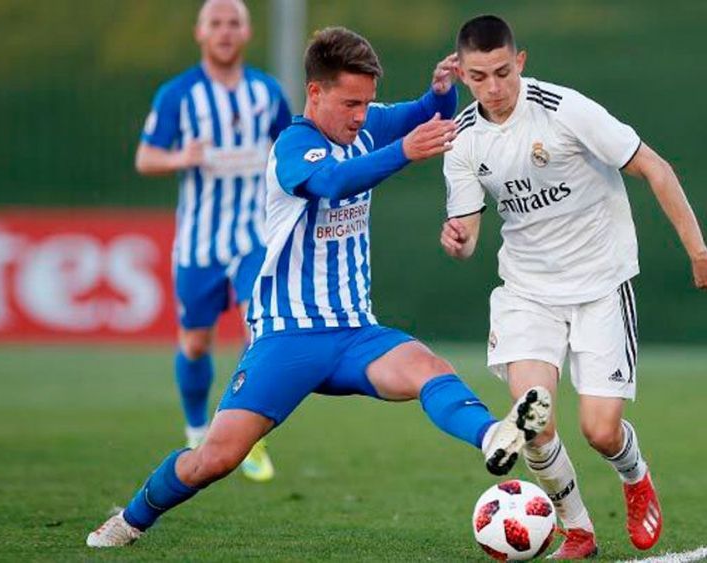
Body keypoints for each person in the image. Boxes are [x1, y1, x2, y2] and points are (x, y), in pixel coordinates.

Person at [87, 26, 552, 548]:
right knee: (213, 460)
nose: (361, 114)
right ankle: (129, 520)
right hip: (288, 337)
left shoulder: (367, 127)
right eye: (350, 102)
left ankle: (495, 436)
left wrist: (441, 89)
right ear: (316, 92)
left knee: (429, 368)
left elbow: (426, 114)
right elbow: (331, 182)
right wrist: (403, 151)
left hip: (355, 332)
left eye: (367, 102)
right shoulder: (293, 145)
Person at [440, 15, 707, 559]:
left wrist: (698, 250)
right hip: (526, 291)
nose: (494, 87)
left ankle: (635, 475)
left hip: (601, 285)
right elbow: (468, 238)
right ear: (461, 74)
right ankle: (577, 528)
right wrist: (456, 238)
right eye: (479, 77)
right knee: (536, 417)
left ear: (520, 61)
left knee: (600, 430)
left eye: (503, 72)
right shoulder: (461, 140)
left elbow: (656, 169)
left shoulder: (565, 110)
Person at [135, 0, 290, 482]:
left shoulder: (266, 92)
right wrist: (182, 157)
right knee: (197, 343)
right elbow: (146, 158)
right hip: (200, 243)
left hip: (253, 237)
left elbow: (292, 147)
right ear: (200, 33)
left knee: (258, 330)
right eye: (216, 23)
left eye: (234, 23)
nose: (225, 31)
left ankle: (248, 436)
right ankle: (196, 428)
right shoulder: (178, 94)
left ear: (246, 32)